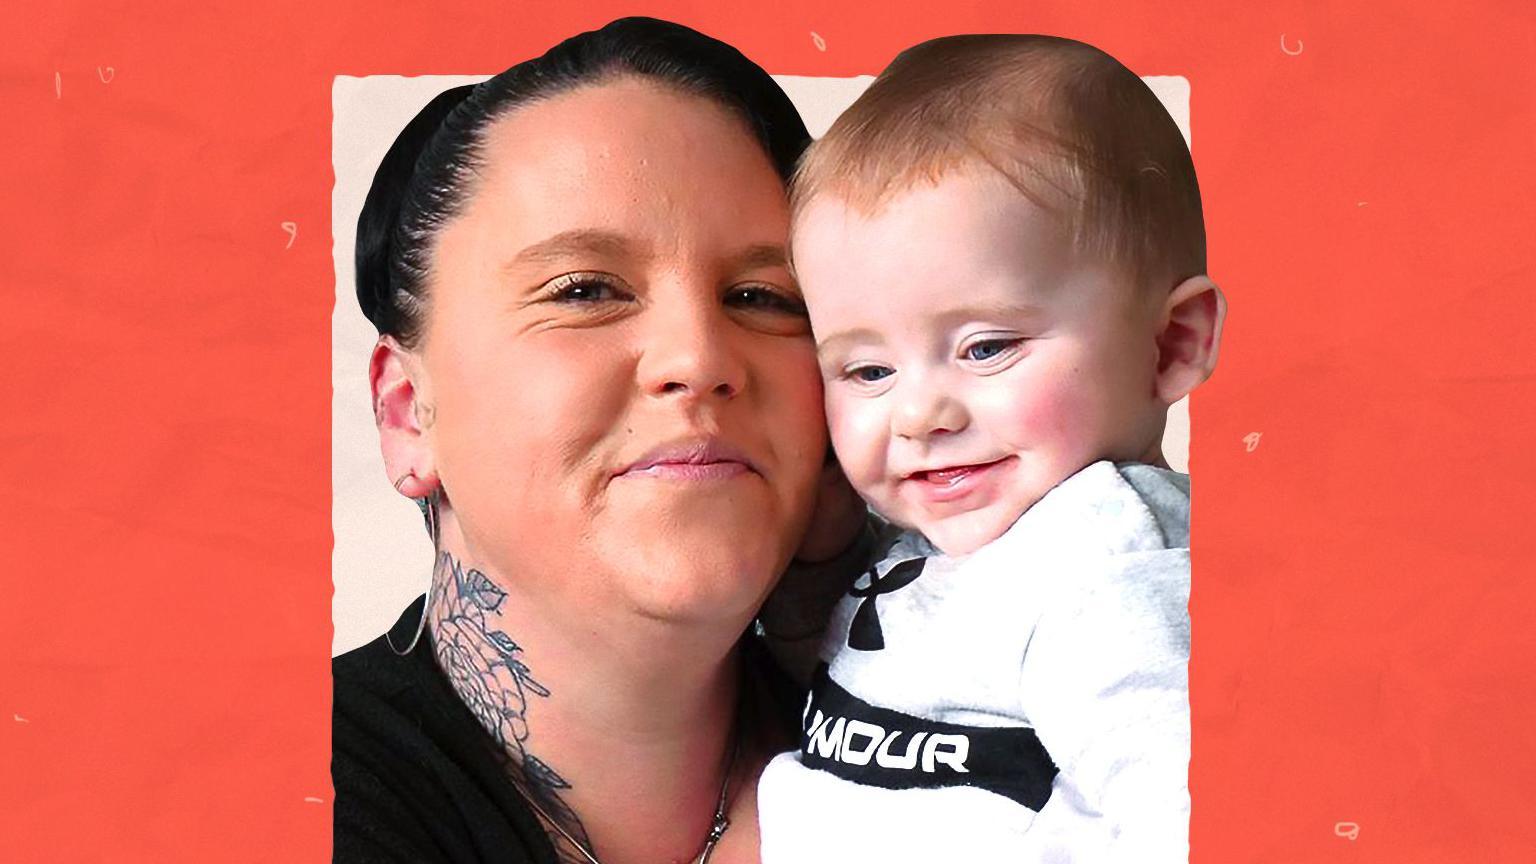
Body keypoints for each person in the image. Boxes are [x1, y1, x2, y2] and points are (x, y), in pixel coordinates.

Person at [332, 17, 868, 864]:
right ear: (405, 413)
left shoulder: (978, 756)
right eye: (584, 289)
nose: (699, 357)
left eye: (764, 296)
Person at [756, 35, 1226, 861]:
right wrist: (812, 578)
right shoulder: (960, 535)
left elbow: (1181, 815)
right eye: (866, 369)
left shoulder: (1107, 576)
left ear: (1171, 345)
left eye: (985, 348)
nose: (919, 414)